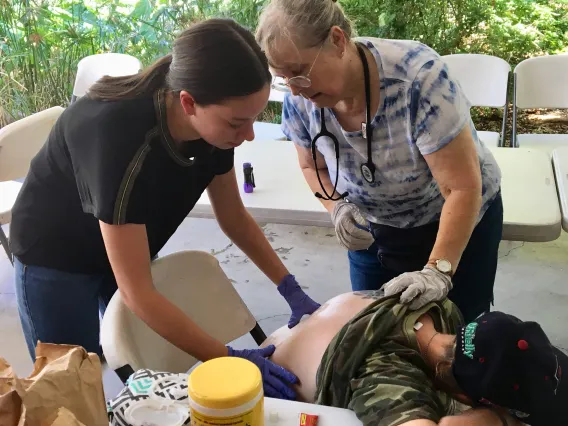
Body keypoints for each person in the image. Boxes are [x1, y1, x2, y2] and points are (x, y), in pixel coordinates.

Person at [9, 18, 321, 400]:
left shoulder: (215, 125)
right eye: (239, 123)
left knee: (150, 367)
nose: (249, 135)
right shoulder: (117, 136)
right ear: (188, 101)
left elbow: (233, 217)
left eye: (254, 119)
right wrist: (226, 358)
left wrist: (288, 286)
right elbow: (138, 292)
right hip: (56, 255)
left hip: (129, 241)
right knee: (71, 387)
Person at [255, 0, 503, 322]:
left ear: (337, 40)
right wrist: (338, 208)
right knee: (375, 332)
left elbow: (462, 187)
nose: (295, 90)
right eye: (283, 78)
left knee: (457, 339)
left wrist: (438, 270)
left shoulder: (419, 79)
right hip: (374, 232)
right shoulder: (300, 99)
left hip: (455, 221)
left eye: (300, 72)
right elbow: (311, 165)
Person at [262, 289, 567, 426]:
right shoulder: (386, 376)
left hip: (303, 333)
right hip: (269, 392)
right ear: (463, 395)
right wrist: (499, 419)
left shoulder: (441, 309)